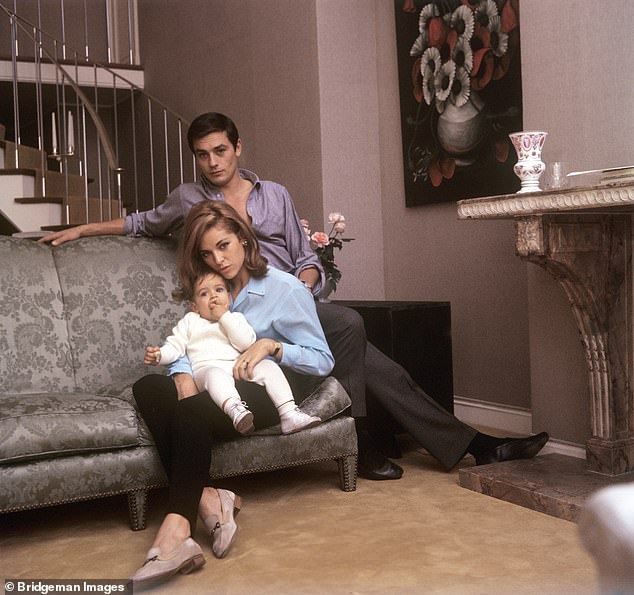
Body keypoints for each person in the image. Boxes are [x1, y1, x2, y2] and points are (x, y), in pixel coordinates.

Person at [40, 111, 549, 481]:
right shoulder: (190, 199)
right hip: (248, 317)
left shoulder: (274, 194)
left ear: (239, 147)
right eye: (202, 154)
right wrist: (81, 230)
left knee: (366, 351)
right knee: (354, 332)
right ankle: (396, 442)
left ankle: (456, 445)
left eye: (220, 150)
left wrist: (303, 290)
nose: (212, 162)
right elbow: (140, 223)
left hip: (292, 301)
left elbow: (306, 259)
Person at [130, 201, 334, 585]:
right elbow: (192, 341)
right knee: (148, 386)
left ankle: (176, 532)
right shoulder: (211, 289)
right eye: (207, 253)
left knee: (190, 412)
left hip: (270, 386)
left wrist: (271, 345)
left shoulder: (285, 289)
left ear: (243, 237)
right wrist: (181, 373)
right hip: (223, 380)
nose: (218, 260)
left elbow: (323, 360)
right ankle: (210, 497)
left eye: (224, 245)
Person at [144, 269, 321, 435]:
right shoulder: (190, 321)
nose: (213, 296)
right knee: (215, 375)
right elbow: (175, 346)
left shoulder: (235, 318)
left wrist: (224, 316)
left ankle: (288, 412)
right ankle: (235, 410)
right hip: (205, 371)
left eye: (219, 290)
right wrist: (160, 355)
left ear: (228, 298)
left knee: (267, 365)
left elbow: (246, 343)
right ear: (195, 306)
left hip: (236, 367)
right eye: (204, 294)